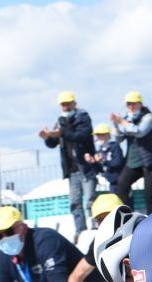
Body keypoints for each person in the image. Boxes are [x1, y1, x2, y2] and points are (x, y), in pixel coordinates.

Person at [40, 90, 97, 237]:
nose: (65, 107)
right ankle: (81, 232)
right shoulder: (60, 121)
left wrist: (61, 133)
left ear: (74, 103)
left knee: (91, 200)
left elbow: (81, 136)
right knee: (75, 203)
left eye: (68, 104)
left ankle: (95, 229)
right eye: (63, 105)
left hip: (86, 167)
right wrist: (47, 137)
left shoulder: (83, 117)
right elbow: (52, 143)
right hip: (71, 170)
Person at [112, 91, 152, 215]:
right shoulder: (126, 119)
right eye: (128, 104)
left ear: (140, 104)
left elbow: (139, 132)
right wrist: (115, 124)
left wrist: (121, 122)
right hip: (133, 162)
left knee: (149, 194)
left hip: (151, 162)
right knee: (121, 187)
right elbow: (119, 139)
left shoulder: (148, 117)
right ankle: (128, 216)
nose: (130, 107)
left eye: (133, 104)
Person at [85, 124, 124, 191]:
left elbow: (118, 162)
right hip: (109, 182)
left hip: (120, 181)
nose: (100, 137)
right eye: (98, 135)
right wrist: (93, 162)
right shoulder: (99, 151)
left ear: (108, 135)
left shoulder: (115, 146)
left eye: (102, 135)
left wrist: (103, 161)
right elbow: (99, 169)